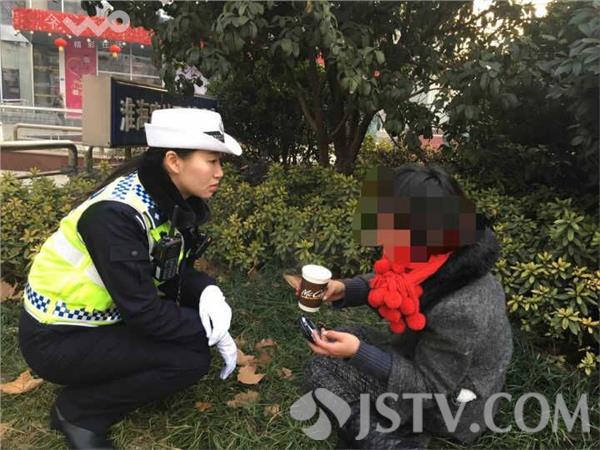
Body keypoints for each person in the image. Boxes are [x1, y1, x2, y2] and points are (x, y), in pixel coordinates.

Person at [18, 108, 242, 449]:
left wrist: (208, 292)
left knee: (192, 346)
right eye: (211, 161)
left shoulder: (162, 197)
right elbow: (145, 313)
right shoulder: (115, 216)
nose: (219, 173)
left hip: (103, 320)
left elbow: (167, 268)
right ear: (173, 161)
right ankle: (77, 411)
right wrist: (208, 330)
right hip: (57, 337)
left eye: (219, 162)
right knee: (191, 358)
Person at [301, 165, 513, 449]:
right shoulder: (443, 256)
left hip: (453, 407)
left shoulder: (462, 308)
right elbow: (392, 282)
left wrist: (358, 353)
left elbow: (430, 388)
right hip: (434, 364)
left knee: (322, 369)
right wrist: (345, 289)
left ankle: (390, 442)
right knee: (345, 337)